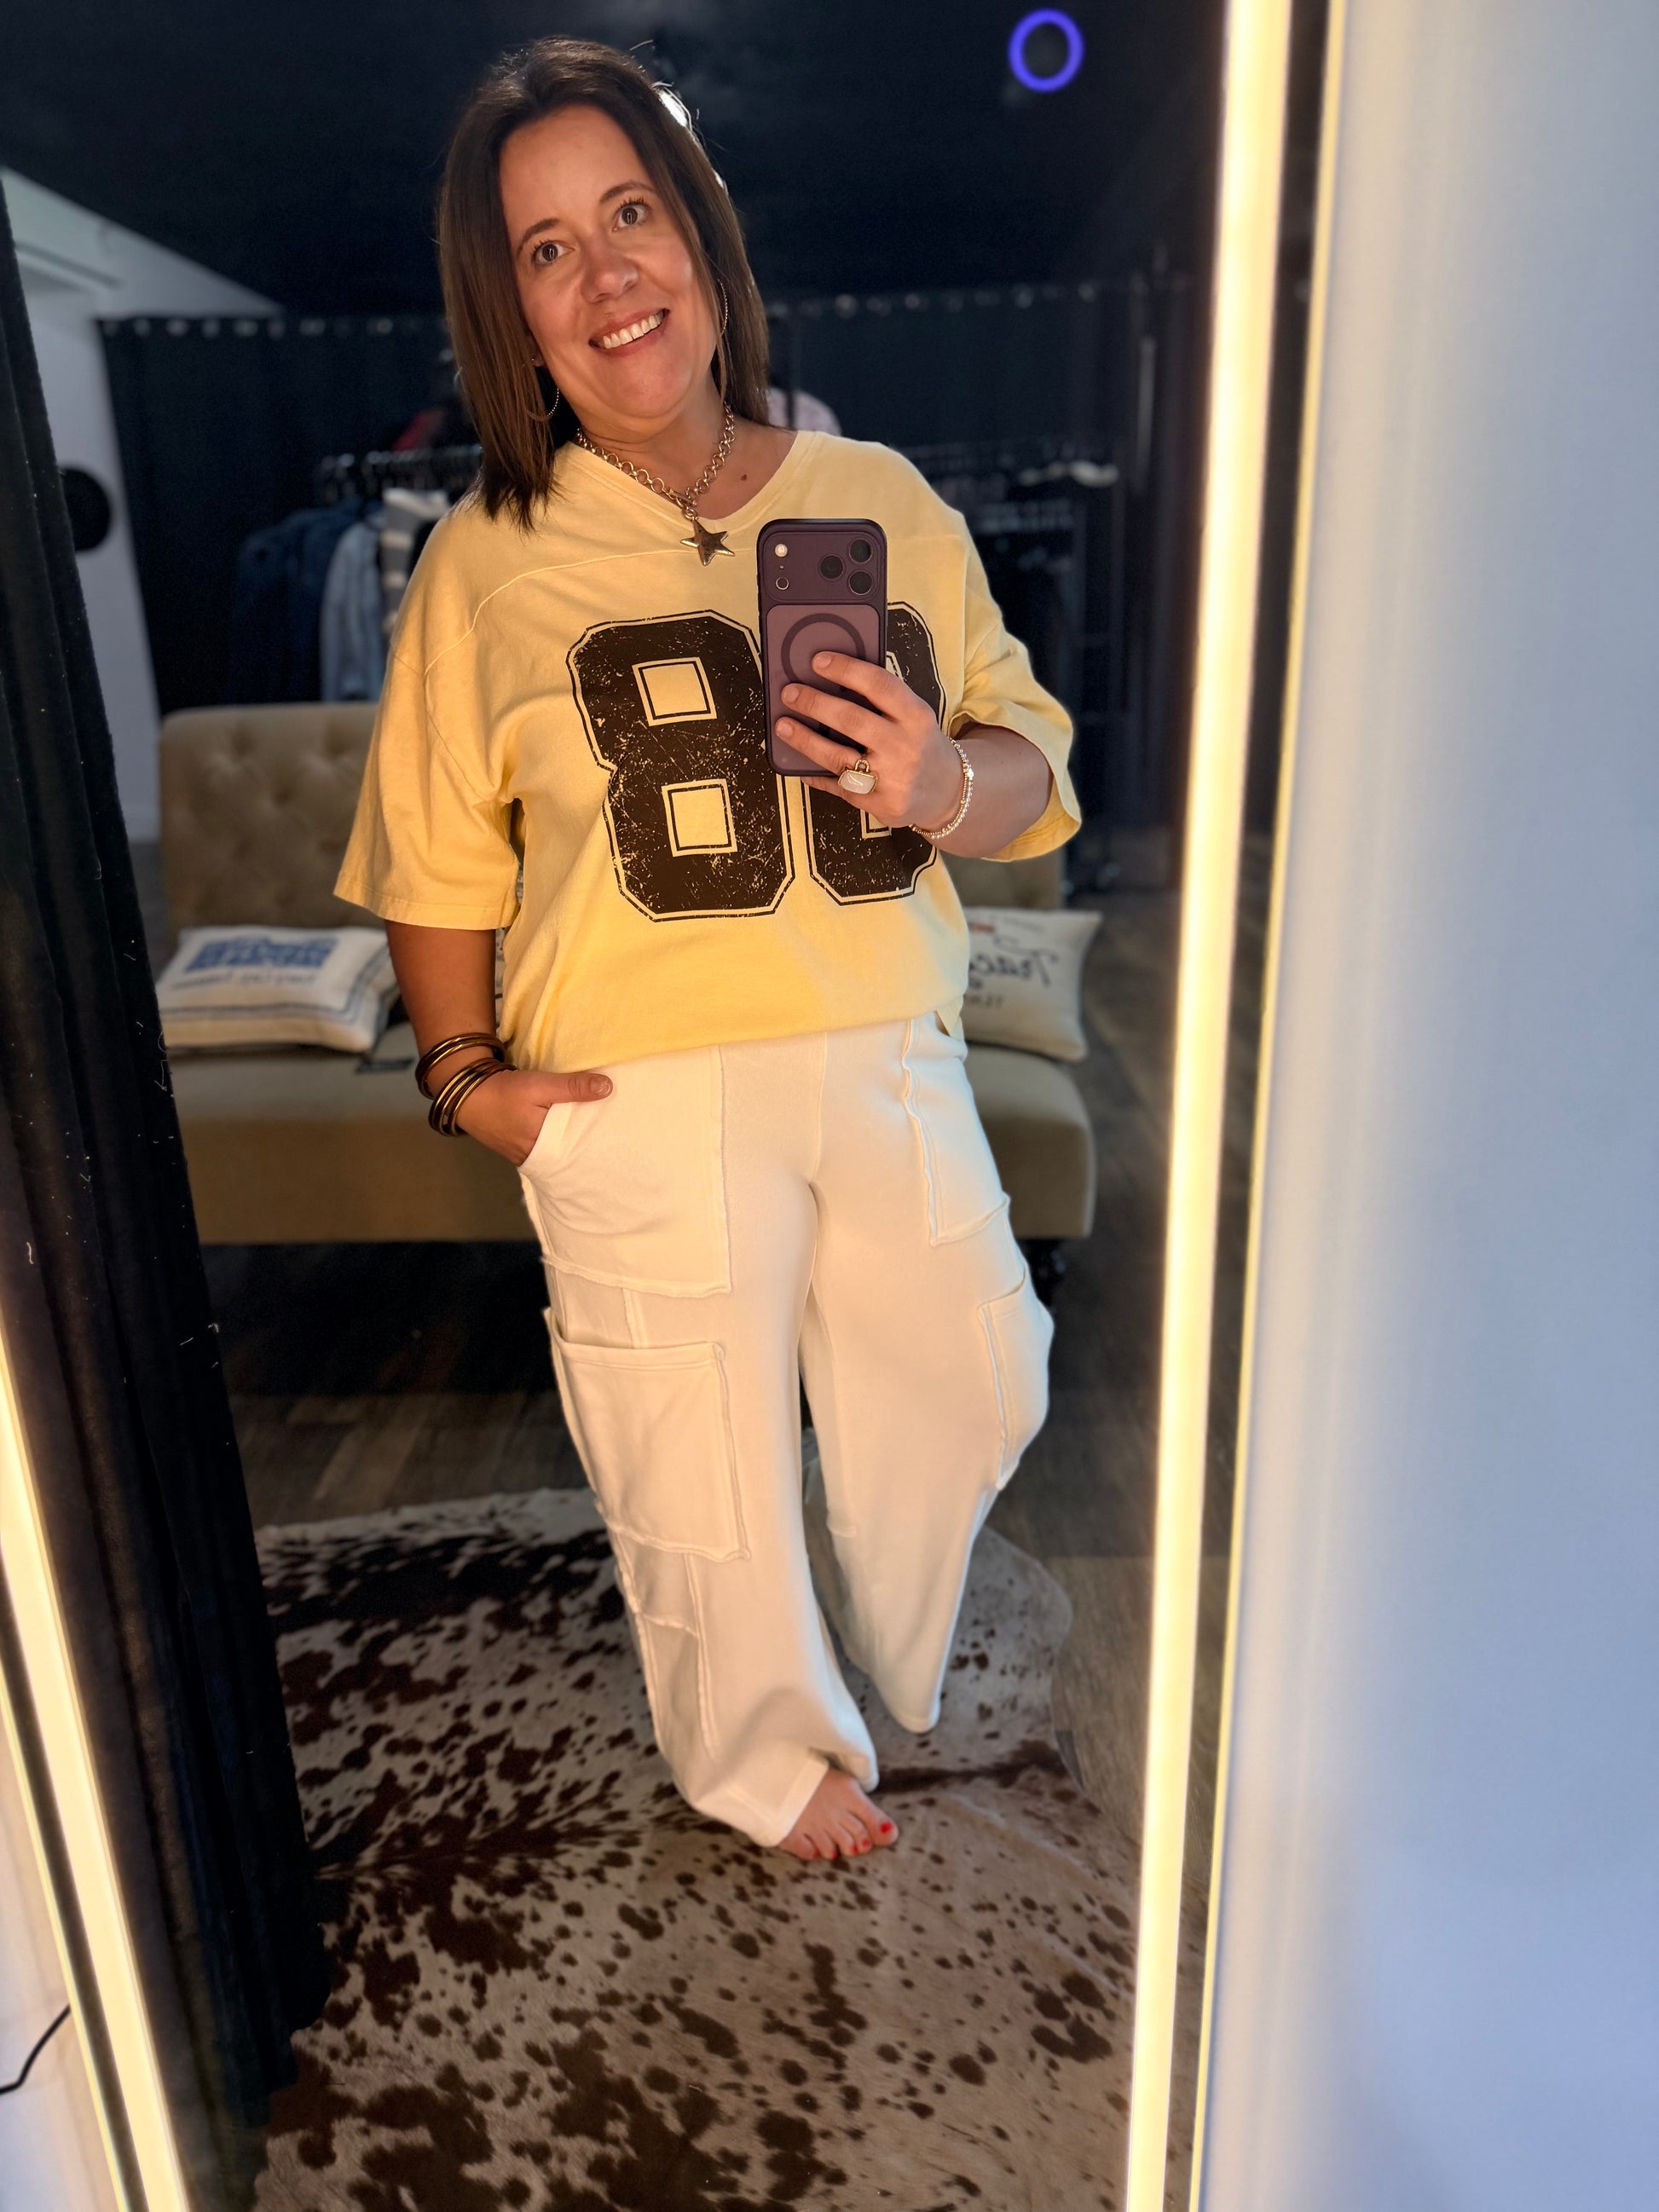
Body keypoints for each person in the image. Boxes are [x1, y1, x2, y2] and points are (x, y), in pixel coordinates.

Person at [335, 38, 1079, 1866]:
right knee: (695, 1456)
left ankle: (878, 1615)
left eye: (628, 215)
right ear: (512, 314)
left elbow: (1034, 767)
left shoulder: (882, 496)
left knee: (982, 1366)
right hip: (637, 1084)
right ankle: (756, 1748)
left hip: (881, 1042)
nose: (605, 275)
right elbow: (436, 855)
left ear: (699, 232)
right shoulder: (482, 562)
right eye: (545, 250)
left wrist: (934, 777)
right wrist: (465, 1080)